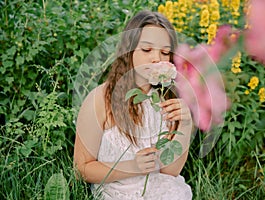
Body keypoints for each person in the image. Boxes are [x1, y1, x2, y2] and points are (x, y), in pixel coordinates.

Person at [74, 10, 193, 200]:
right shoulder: (100, 99)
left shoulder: (166, 100)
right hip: (114, 192)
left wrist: (186, 125)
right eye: (146, 50)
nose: (157, 59)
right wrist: (132, 167)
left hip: (157, 188)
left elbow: (170, 171)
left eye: (165, 52)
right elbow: (82, 169)